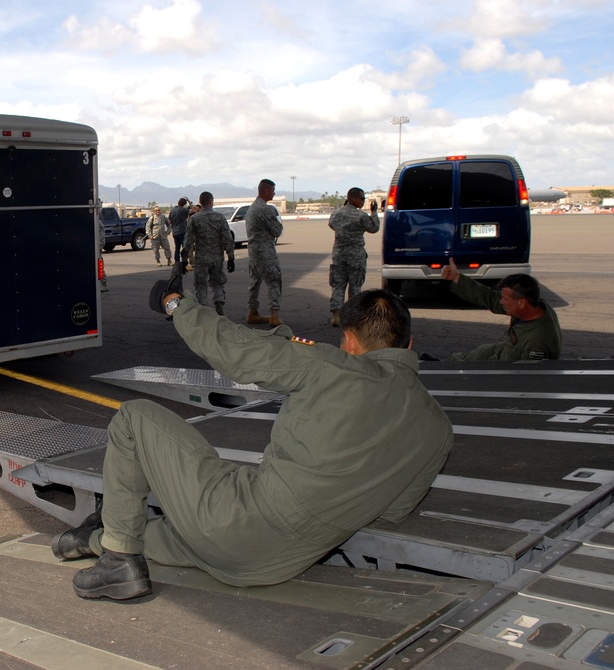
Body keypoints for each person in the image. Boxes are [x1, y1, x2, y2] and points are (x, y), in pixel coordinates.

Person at [52, 285, 453, 600]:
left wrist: (177, 304)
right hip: (275, 564)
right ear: (410, 345)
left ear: (349, 341)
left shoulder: (330, 366)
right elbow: (394, 511)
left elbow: (234, 351)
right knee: (190, 533)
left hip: (241, 523)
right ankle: (94, 536)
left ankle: (119, 559)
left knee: (134, 418)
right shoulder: (438, 428)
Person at [427, 258, 562, 361]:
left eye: (505, 299)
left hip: (512, 366)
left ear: (521, 302)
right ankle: (440, 365)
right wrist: (457, 278)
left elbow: (525, 377)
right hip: (508, 349)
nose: (501, 302)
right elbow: (489, 297)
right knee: (480, 352)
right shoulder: (532, 306)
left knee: (479, 364)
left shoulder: (537, 341)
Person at [328, 187, 381, 327]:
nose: (364, 201)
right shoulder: (361, 216)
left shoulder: (336, 213)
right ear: (353, 199)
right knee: (355, 286)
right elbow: (374, 228)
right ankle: (352, 317)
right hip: (356, 255)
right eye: (362, 198)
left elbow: (332, 224)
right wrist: (374, 212)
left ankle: (336, 314)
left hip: (339, 254)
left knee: (338, 285)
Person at [183, 191, 234, 314]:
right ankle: (219, 305)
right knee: (217, 283)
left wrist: (184, 259)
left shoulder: (195, 218)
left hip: (202, 258)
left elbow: (188, 241)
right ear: (211, 202)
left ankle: (204, 311)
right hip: (217, 258)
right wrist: (231, 257)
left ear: (200, 202)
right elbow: (228, 238)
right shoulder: (220, 217)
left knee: (201, 285)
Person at [245, 179, 285, 326]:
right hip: (266, 252)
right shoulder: (266, 209)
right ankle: (274, 315)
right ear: (267, 191)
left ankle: (252, 312)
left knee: (254, 282)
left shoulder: (252, 208)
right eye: (273, 191)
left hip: (254, 252)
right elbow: (277, 230)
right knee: (274, 281)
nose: (274, 193)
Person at [168, 197, 190, 264]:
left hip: (175, 232)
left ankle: (177, 260)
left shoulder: (172, 210)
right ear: (184, 204)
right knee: (184, 247)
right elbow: (194, 210)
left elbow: (169, 221)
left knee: (177, 247)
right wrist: (189, 201)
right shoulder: (183, 210)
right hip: (182, 231)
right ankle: (184, 260)